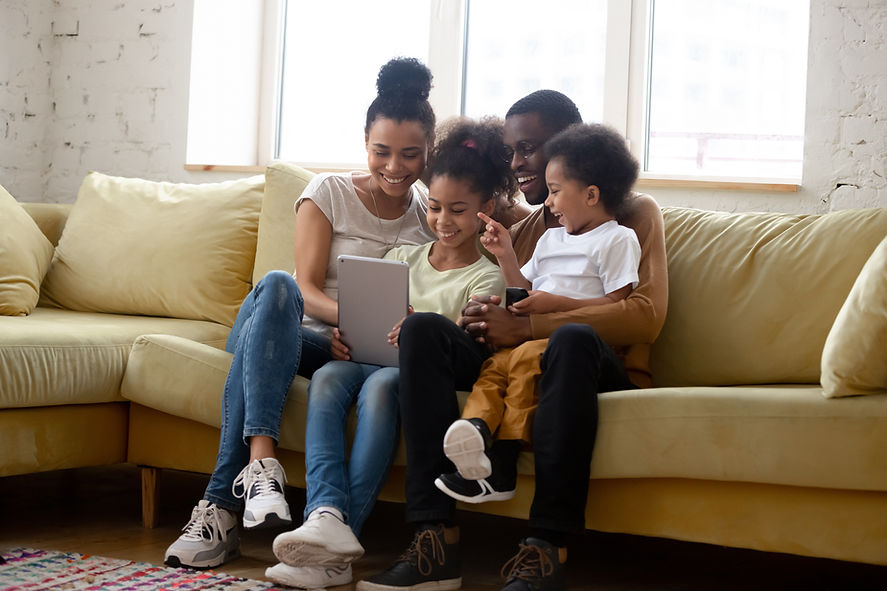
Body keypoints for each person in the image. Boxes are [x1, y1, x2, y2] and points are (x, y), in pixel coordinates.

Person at [358, 90, 668, 591]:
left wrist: (526, 326)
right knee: (423, 331)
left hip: (597, 365)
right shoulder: (528, 229)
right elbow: (509, 286)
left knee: (567, 341)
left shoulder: (631, 215)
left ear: (571, 156)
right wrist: (481, 318)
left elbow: (644, 316)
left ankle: (547, 547)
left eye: (528, 149)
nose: (517, 162)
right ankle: (434, 540)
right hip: (520, 357)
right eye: (511, 152)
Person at [162, 56, 438, 572]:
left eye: (410, 155)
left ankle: (220, 509)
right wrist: (346, 321)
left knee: (304, 326)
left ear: (429, 153)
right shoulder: (328, 191)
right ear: (365, 143)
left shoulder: (431, 213)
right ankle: (261, 463)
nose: (395, 167)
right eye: (382, 152)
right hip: (284, 329)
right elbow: (306, 289)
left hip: (355, 352)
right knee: (277, 285)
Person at [264, 116, 516, 589]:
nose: (442, 221)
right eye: (436, 208)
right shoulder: (404, 256)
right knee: (328, 378)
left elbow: (463, 342)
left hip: (407, 373)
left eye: (458, 210)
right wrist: (349, 333)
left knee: (380, 387)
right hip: (369, 356)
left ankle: (338, 548)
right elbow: (369, 306)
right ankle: (324, 512)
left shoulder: (486, 277)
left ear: (485, 209)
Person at [435, 123, 642, 507]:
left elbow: (618, 305)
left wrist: (555, 303)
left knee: (525, 362)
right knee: (496, 366)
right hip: (534, 338)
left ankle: (505, 457)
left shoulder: (617, 239)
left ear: (592, 195)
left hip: (578, 352)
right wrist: (505, 256)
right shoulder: (550, 238)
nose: (548, 202)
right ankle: (475, 428)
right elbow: (523, 291)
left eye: (557, 192)